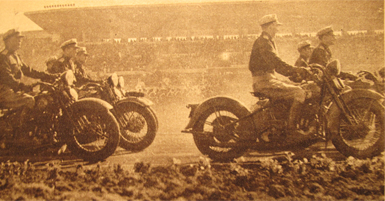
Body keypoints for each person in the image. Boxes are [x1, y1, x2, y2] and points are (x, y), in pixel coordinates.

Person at [249, 14, 311, 137]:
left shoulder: (267, 41)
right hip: (264, 82)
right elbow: (276, 63)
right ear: (271, 26)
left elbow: (277, 66)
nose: (278, 29)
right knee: (298, 92)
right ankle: (292, 131)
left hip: (269, 79)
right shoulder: (264, 42)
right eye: (276, 26)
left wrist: (296, 73)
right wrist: (297, 70)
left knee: (302, 87)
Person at [0, 29, 57, 125]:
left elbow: (29, 71)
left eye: (20, 39)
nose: (20, 41)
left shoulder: (15, 56)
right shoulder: (3, 57)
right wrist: (23, 86)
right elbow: (7, 78)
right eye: (17, 39)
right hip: (4, 91)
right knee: (29, 100)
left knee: (42, 97)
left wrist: (49, 76)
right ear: (8, 41)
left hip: (14, 89)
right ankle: (22, 132)